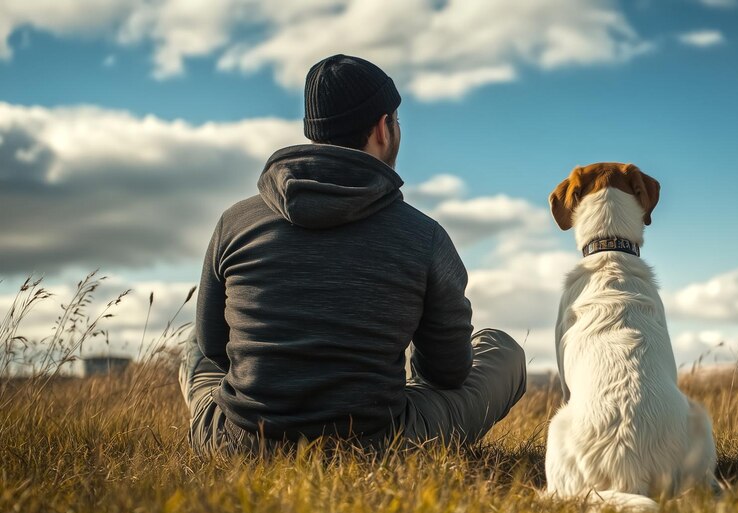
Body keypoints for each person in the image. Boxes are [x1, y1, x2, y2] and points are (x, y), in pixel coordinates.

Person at [178, 54, 526, 456]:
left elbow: (215, 348)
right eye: (396, 121)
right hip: (380, 446)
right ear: (383, 127)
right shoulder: (424, 236)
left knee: (194, 343)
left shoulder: (234, 221)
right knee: (503, 350)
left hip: (239, 443)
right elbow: (447, 373)